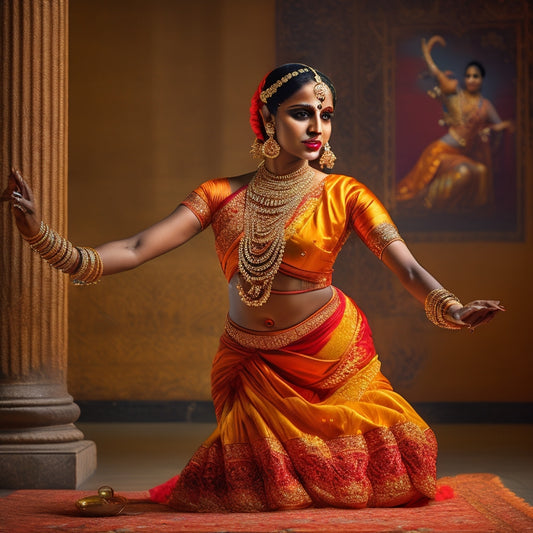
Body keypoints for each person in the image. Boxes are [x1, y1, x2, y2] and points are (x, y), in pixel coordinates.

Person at [2, 63, 504, 512]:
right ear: (268, 118)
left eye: (325, 115)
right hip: (250, 359)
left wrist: (451, 308)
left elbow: (409, 269)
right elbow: (136, 247)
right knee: (240, 490)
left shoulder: (345, 193)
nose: (317, 128)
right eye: (301, 113)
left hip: (329, 353)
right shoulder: (219, 194)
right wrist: (46, 239)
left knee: (395, 463)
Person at [396, 36, 514, 211]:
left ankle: (471, 213)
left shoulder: (486, 105)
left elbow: (497, 125)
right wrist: (428, 54)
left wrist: (502, 127)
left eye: (476, 76)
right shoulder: (457, 97)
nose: (471, 79)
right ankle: (426, 201)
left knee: (480, 172)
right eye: (468, 76)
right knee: (418, 189)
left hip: (462, 153)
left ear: (482, 79)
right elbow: (437, 75)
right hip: (441, 151)